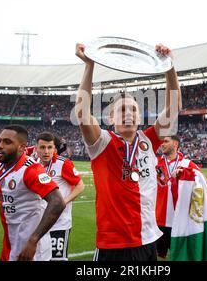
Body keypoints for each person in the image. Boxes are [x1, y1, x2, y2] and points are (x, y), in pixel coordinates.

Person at [74, 42, 181, 261]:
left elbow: (174, 107)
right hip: (113, 244)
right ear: (110, 119)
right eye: (122, 110)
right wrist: (89, 65)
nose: (129, 114)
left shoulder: (148, 140)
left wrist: (169, 66)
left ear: (140, 118)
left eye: (133, 109)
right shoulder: (102, 143)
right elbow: (82, 111)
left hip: (148, 239)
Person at [0, 125, 65, 261]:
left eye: (7, 142)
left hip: (30, 248)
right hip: (12, 241)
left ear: (21, 147)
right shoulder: (1, 166)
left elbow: (58, 202)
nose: (0, 146)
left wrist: (33, 240)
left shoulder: (31, 170)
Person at [35, 131, 84, 261]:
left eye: (49, 147)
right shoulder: (33, 164)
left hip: (59, 223)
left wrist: (63, 201)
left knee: (57, 259)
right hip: (39, 223)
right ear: (36, 148)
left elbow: (80, 186)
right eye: (42, 147)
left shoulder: (63, 163)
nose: (46, 151)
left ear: (54, 149)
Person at [155, 135, 200, 258]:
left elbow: (202, 181)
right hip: (159, 220)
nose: (162, 144)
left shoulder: (186, 164)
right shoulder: (155, 163)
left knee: (180, 256)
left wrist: (185, 174)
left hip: (179, 220)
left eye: (166, 141)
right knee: (158, 255)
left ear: (175, 144)